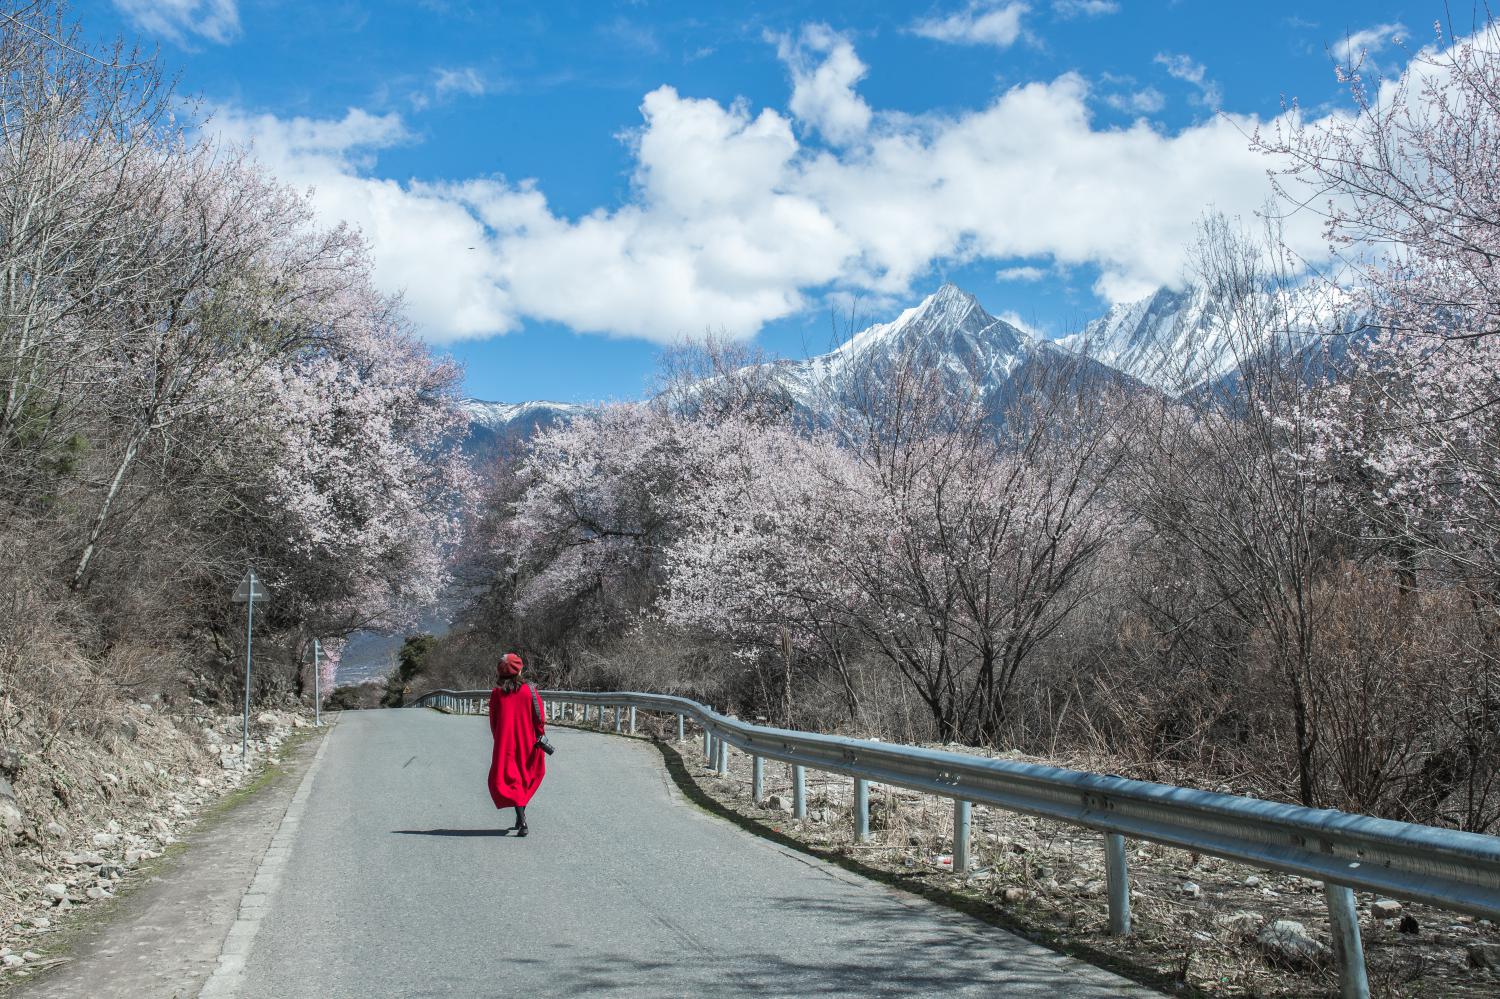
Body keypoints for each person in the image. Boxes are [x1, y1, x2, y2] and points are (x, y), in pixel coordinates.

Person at [487, 652, 546, 836]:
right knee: (527, 775)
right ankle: (522, 820)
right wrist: (540, 735)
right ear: (519, 669)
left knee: (511, 779)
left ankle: (520, 817)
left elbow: (493, 721)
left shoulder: (497, 693)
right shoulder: (529, 690)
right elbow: (539, 717)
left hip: (506, 743)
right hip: (527, 741)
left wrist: (499, 738)